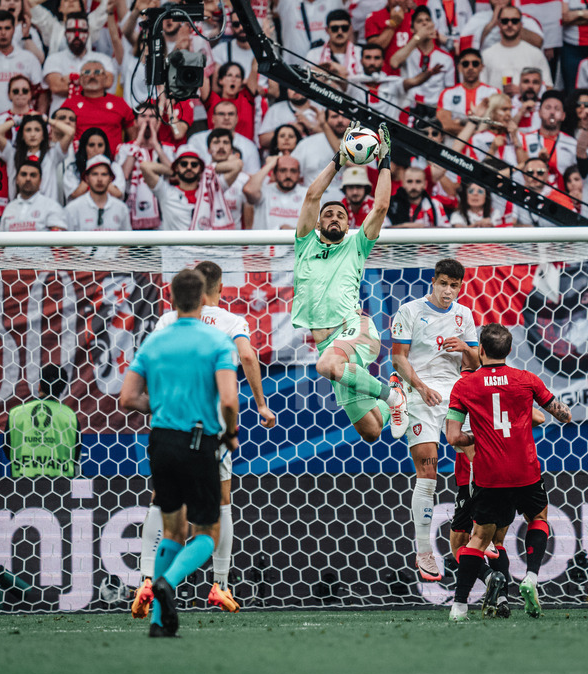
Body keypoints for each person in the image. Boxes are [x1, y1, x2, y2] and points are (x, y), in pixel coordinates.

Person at [134, 261, 277, 618]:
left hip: (167, 424)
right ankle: (220, 584)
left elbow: (144, 370)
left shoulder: (169, 321)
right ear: (220, 287)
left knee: (163, 506)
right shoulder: (229, 322)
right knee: (220, 504)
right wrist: (260, 404)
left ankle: (148, 579)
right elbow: (246, 355)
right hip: (208, 428)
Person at [119, 268, 240, 638]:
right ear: (204, 296)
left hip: (162, 442)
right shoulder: (217, 340)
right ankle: (168, 582)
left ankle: (158, 624)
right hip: (200, 441)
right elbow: (229, 398)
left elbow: (126, 398)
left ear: (171, 300)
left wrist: (159, 407)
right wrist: (230, 432)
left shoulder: (154, 341)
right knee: (206, 531)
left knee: (171, 531)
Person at [445, 323, 572, 621]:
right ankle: (530, 576)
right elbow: (562, 415)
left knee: (478, 538)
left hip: (490, 475)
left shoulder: (465, 386)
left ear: (481, 350)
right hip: (526, 471)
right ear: (510, 351)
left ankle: (459, 607)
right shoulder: (526, 379)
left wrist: (477, 438)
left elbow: (453, 437)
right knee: (538, 518)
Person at [292, 122, 408, 442]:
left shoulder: (356, 246)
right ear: (317, 222)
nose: (334, 218)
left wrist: (384, 160)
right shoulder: (306, 243)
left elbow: (381, 205)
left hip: (354, 328)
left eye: (340, 216)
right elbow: (313, 194)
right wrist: (339, 159)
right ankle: (400, 390)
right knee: (371, 431)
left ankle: (392, 395)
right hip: (329, 342)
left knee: (325, 365)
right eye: (328, 215)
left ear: (348, 224)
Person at [390, 258, 478, 581]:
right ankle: (424, 550)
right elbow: (398, 357)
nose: (448, 291)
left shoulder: (464, 314)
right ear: (433, 282)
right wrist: (421, 387)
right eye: (443, 284)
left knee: (478, 459)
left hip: (455, 396)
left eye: (454, 286)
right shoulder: (410, 311)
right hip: (420, 394)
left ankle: (479, 530)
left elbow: (478, 360)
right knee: (428, 471)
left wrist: (465, 350)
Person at [4, 365, 81, 478]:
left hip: (22, 486)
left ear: (39, 386)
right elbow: (75, 455)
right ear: (63, 389)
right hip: (61, 488)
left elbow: (7, 450)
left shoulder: (17, 414)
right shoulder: (69, 416)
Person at [62, 58, 136, 156]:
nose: (92, 76)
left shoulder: (119, 103)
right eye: (87, 72)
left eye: (97, 72)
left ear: (105, 78)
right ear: (80, 79)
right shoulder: (70, 104)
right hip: (78, 162)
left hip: (113, 163)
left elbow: (133, 134)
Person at [64, 155, 131, 231]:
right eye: (95, 174)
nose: (99, 179)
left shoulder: (121, 209)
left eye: (104, 174)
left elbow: (128, 241)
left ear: (110, 179)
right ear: (87, 178)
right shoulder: (72, 209)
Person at [0, 160, 67, 231]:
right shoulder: (9, 208)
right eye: (24, 174)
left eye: (33, 175)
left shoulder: (52, 207)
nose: (28, 179)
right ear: (17, 180)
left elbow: (58, 239)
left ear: (40, 181)